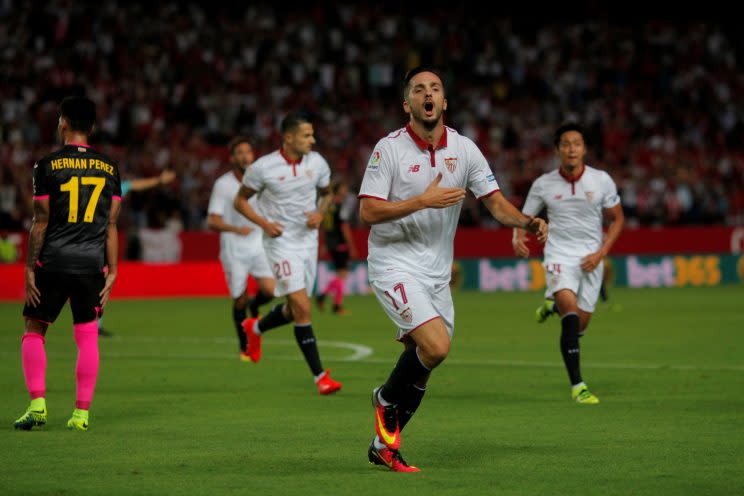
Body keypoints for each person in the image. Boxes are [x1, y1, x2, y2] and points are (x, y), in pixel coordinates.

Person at [359, 67, 548, 472]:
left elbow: (495, 203)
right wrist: (421, 202)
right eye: (418, 89)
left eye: (435, 88)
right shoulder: (388, 149)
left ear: (444, 102)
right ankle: (384, 400)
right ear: (406, 103)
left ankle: (383, 445)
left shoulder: (464, 149)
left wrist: (526, 221)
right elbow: (368, 210)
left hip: (436, 272)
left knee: (425, 364)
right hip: (393, 263)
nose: (427, 94)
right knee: (436, 346)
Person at [15, 96, 121, 432]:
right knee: (87, 336)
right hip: (91, 265)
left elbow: (40, 221)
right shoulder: (110, 168)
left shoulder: (46, 165)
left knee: (34, 330)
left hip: (54, 260)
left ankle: (37, 405)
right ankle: (81, 414)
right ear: (91, 127)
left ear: (62, 122)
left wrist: (31, 266)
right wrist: (113, 270)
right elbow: (111, 225)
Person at [513, 122, 624, 405]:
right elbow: (523, 217)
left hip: (590, 260)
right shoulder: (543, 184)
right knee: (571, 321)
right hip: (559, 256)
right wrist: (517, 236)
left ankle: (552, 305)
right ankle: (578, 386)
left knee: (579, 327)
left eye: (576, 143)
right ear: (558, 150)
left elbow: (617, 219)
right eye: (565, 143)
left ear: (584, 149)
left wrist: (601, 254)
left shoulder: (601, 180)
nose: (571, 148)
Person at [233, 113, 342, 395]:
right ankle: (320, 376)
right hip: (280, 243)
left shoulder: (317, 163)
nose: (313, 140)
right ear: (289, 137)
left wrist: (320, 212)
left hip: (308, 243)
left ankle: (254, 328)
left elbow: (328, 193)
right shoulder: (263, 167)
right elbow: (240, 201)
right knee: (303, 307)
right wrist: (264, 224)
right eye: (307, 135)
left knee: (295, 309)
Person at [207, 137, 275, 361]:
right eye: (240, 153)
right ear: (232, 158)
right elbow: (212, 221)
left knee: (270, 291)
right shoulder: (223, 184)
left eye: (248, 152)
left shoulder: (261, 181)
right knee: (239, 299)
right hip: (233, 247)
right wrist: (236, 229)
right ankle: (244, 346)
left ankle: (255, 309)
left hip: (258, 244)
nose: (245, 156)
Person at [97, 167, 175, 337]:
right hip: (92, 241)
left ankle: (95, 325)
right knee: (95, 283)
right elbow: (132, 185)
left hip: (93, 241)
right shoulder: (108, 189)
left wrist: (159, 181)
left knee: (99, 283)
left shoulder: (104, 188)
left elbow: (133, 185)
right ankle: (93, 325)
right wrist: (159, 180)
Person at [315, 180, 358, 315]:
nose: (346, 191)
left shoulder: (327, 205)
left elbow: (324, 226)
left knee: (341, 274)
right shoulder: (340, 206)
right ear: (339, 189)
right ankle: (336, 305)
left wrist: (325, 244)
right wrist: (351, 246)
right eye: (344, 188)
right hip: (340, 243)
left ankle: (325, 298)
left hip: (331, 243)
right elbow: (344, 227)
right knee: (342, 274)